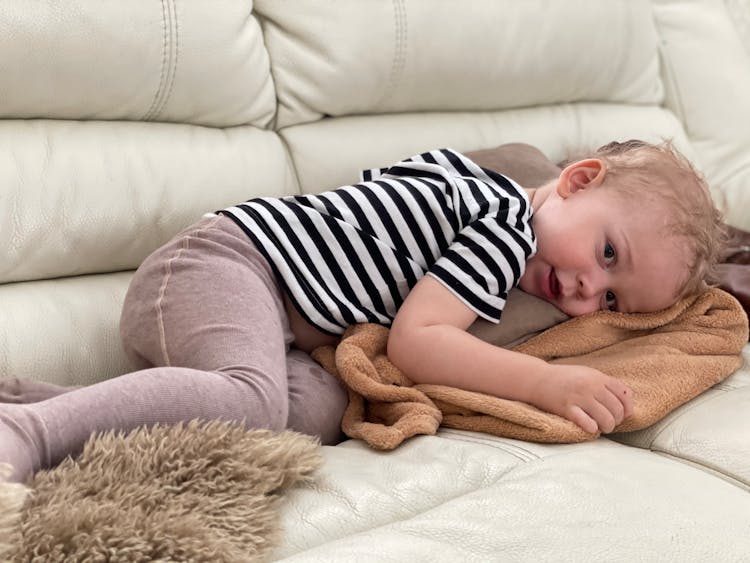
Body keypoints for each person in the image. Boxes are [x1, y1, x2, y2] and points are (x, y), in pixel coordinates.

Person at [0, 140, 725, 483]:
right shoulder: (504, 227)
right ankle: (23, 433)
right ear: (576, 179)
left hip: (275, 316)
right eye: (606, 253)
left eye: (610, 300)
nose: (582, 293)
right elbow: (418, 342)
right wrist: (547, 384)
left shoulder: (479, 188)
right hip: (227, 263)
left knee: (315, 411)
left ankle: (43, 402)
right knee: (253, 403)